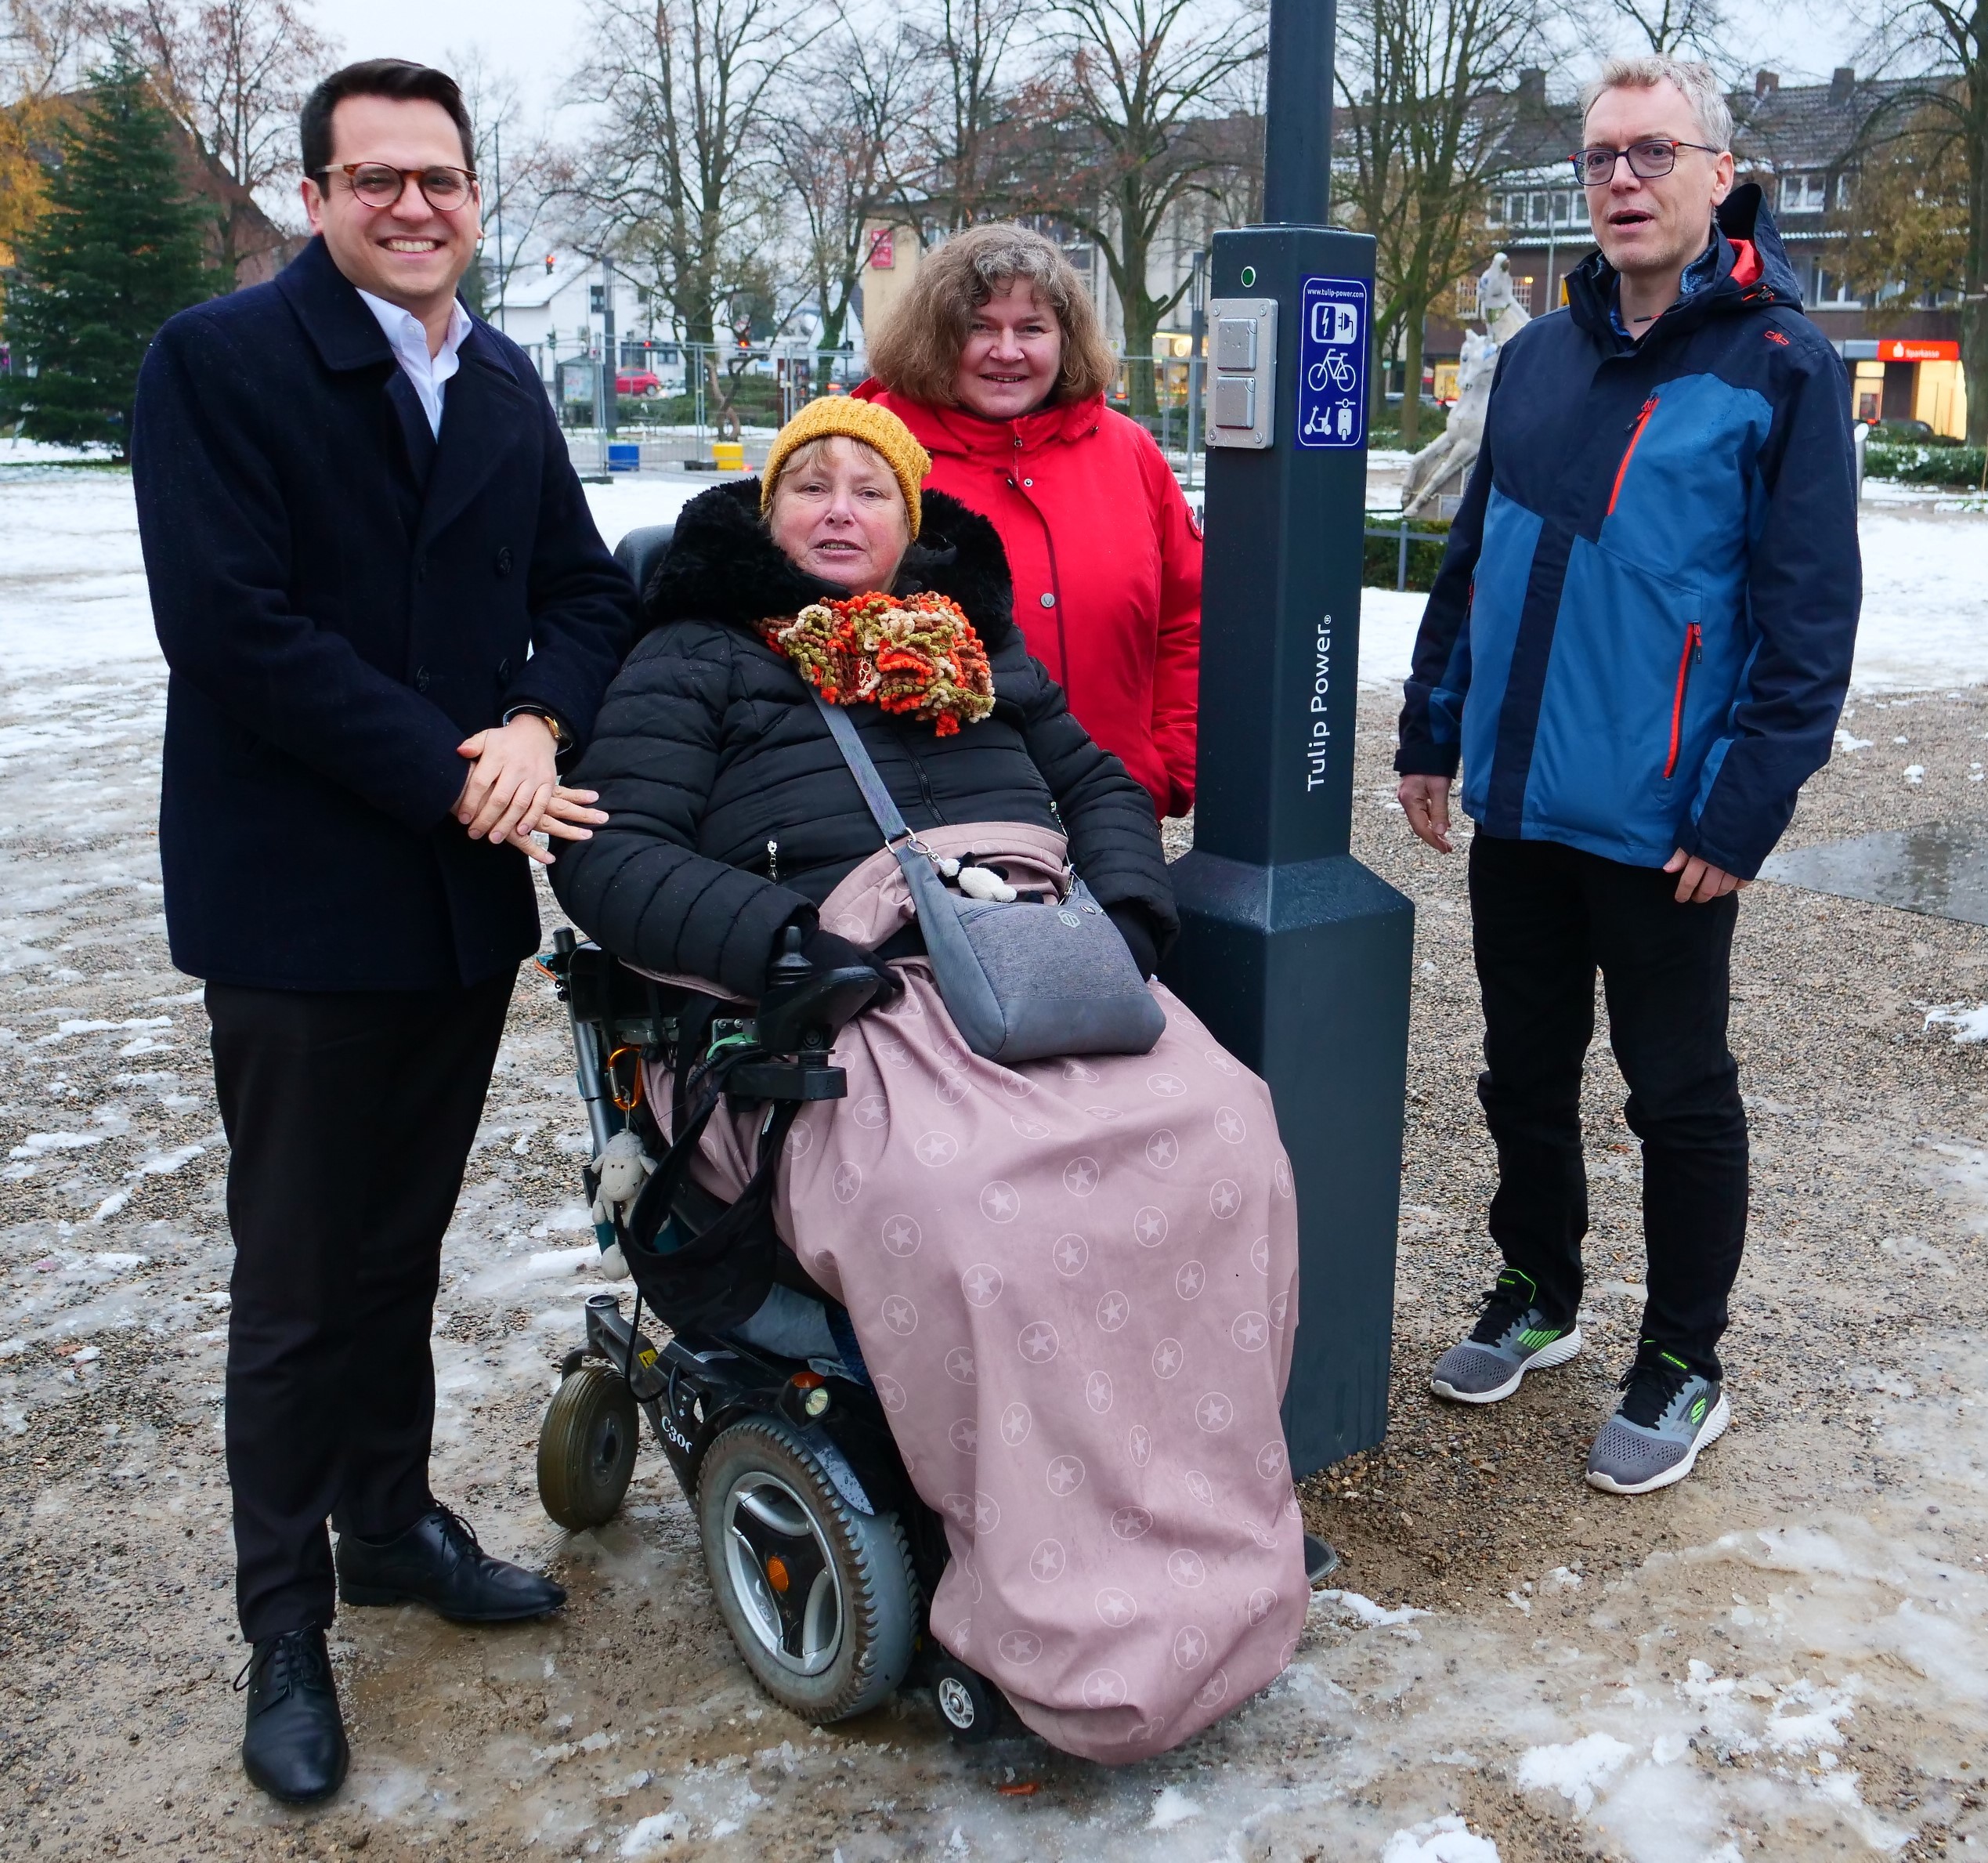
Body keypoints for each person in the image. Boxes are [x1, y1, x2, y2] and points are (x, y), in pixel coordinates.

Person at [551, 397, 1309, 1760]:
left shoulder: (976, 645)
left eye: (872, 490)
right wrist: (786, 943)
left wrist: (1129, 923)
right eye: (810, 486)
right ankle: (1050, 1608)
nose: (841, 509)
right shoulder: (694, 658)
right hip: (821, 1006)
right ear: (768, 515)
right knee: (981, 1214)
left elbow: (1103, 791)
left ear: (913, 524)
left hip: (1040, 970)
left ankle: (1215, 1552)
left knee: (1228, 1137)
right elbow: (609, 860)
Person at [130, 58, 636, 1803]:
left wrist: (538, 729)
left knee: (397, 1254)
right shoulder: (222, 363)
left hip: (448, 905)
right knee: (291, 1284)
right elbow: (233, 629)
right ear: (316, 196)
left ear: (476, 195)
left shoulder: (493, 378)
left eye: (441, 180)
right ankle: (284, 1621)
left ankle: (391, 1527)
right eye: (375, 181)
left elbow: (583, 590)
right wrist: (453, 770)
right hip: (295, 900)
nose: (413, 208)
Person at [1393, 56, 1859, 1496]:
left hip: (1667, 821)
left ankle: (1683, 1356)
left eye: (1654, 153)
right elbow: (1473, 567)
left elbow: (1808, 618)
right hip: (1525, 800)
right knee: (1520, 1069)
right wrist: (1431, 726)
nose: (1622, 180)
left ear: (1722, 174)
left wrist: (1745, 805)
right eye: (1600, 157)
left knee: (1678, 1091)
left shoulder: (1779, 362)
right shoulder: (1537, 358)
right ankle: (1540, 1286)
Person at [855, 225, 1202, 820]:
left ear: (1066, 340)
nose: (1007, 350)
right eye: (979, 326)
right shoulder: (868, 447)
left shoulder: (1129, 451)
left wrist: (1165, 764)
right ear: (935, 338)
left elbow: (1190, 617)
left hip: (1113, 813)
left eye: (1032, 329)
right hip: (933, 824)